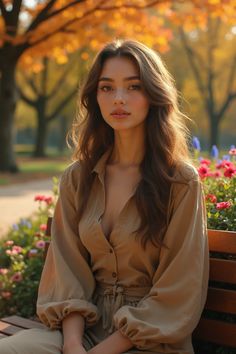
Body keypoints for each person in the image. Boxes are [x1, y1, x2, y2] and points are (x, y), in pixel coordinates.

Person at [0, 39, 209, 354]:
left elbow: (179, 287)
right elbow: (67, 270)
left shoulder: (180, 182)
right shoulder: (77, 178)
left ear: (154, 96)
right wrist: (72, 344)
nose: (119, 99)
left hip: (149, 337)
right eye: (107, 88)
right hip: (81, 329)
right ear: (94, 97)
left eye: (134, 87)